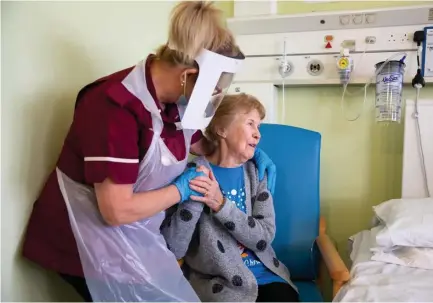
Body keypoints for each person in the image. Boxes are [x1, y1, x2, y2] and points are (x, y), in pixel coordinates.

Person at [21, 2, 276, 302]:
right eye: (215, 86)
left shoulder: (178, 102)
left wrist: (247, 152)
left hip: (135, 234)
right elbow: (116, 210)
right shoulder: (114, 107)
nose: (215, 95)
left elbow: (199, 144)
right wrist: (180, 190)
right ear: (190, 74)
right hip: (84, 240)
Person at [161, 93, 299, 302]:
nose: (258, 134)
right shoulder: (192, 176)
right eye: (250, 123)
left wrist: (221, 205)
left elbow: (264, 237)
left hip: (266, 277)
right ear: (221, 129)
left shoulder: (257, 175)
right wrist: (193, 199)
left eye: (258, 127)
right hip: (219, 284)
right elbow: (174, 248)